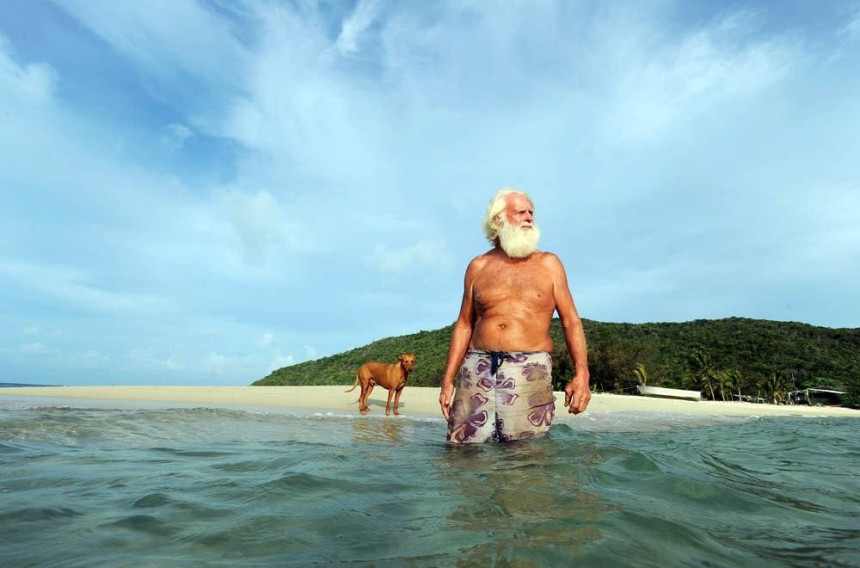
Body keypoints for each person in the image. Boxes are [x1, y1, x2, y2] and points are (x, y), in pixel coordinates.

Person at [438, 188, 590, 443]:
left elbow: (570, 321)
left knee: (526, 461)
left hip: (529, 368)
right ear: (498, 220)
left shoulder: (549, 264)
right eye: (521, 212)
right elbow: (464, 324)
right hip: (477, 367)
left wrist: (582, 374)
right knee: (461, 454)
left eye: (531, 213)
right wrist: (447, 380)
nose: (530, 217)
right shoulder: (478, 266)